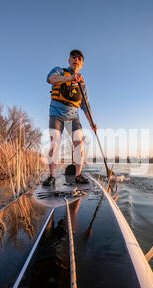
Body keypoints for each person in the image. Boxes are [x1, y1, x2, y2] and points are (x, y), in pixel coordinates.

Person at [43, 49, 97, 186]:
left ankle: (78, 175)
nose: (76, 60)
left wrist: (92, 123)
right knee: (55, 142)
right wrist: (70, 78)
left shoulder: (82, 83)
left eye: (79, 58)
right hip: (56, 114)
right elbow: (50, 79)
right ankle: (51, 176)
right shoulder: (59, 71)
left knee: (79, 144)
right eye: (74, 57)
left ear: (82, 64)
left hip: (73, 117)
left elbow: (85, 105)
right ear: (69, 60)